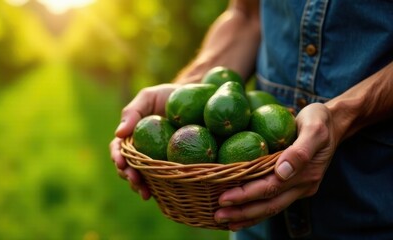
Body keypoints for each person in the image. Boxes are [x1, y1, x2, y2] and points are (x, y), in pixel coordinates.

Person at [110, 0, 393, 239]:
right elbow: (246, 16)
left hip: (371, 203)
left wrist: (344, 115)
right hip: (253, 206)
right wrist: (188, 90)